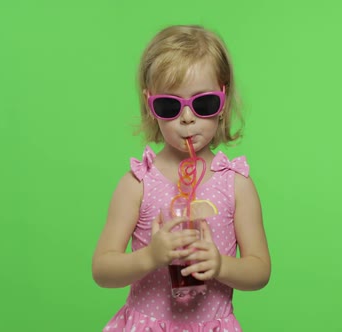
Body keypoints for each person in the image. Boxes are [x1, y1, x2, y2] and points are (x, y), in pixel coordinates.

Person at [92, 25, 271, 331]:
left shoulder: (236, 184)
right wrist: (151, 256)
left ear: (223, 99)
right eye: (169, 106)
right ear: (151, 106)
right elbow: (102, 270)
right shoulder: (138, 183)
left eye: (203, 104)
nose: (187, 118)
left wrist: (220, 264)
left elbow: (260, 270)